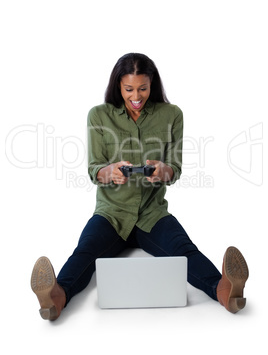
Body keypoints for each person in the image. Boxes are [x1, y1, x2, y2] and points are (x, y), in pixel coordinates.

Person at [31, 53, 249, 321]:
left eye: (143, 88)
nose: (136, 96)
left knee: (183, 249)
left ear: (152, 84)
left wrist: (162, 171)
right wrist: (109, 172)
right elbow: (93, 169)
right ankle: (55, 297)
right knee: (85, 251)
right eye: (129, 89)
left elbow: (175, 169)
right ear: (118, 86)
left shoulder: (172, 115)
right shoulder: (98, 115)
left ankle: (226, 291)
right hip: (112, 213)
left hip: (151, 213)